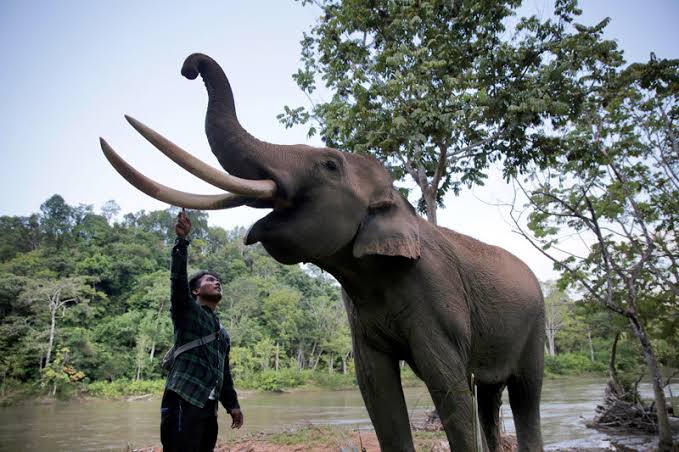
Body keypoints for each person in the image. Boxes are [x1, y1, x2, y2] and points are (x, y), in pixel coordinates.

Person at [160, 208, 243, 452]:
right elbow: (177, 281)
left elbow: (224, 373)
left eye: (218, 281)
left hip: (209, 405)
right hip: (183, 398)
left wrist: (233, 405)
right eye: (209, 280)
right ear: (195, 291)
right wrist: (182, 241)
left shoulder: (223, 333)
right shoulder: (187, 312)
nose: (216, 282)